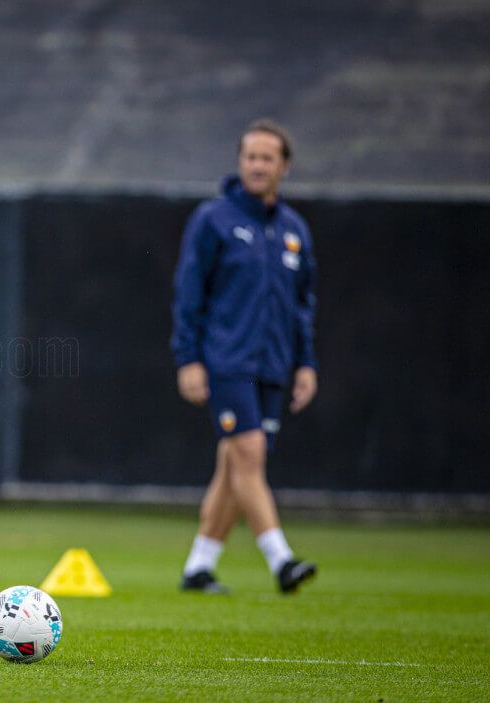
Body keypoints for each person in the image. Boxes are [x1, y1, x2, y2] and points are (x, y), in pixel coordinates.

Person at [171, 118, 319, 595]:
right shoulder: (213, 219)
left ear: (284, 166)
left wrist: (306, 363)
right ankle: (281, 560)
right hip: (226, 361)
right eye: (250, 157)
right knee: (249, 456)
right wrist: (189, 358)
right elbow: (188, 294)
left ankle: (199, 566)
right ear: (240, 162)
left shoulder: (295, 230)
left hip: (274, 364)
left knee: (234, 467)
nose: (257, 165)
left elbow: (303, 306)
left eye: (267, 158)